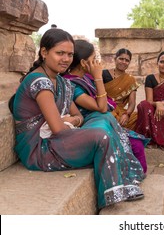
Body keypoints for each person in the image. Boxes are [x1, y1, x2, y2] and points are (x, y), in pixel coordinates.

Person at [9, 28, 143, 209]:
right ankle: (114, 190)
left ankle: (122, 179)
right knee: (100, 136)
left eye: (70, 54)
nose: (65, 59)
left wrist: (73, 121)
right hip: (40, 147)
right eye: (60, 53)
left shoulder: (62, 82)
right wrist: (74, 127)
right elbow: (56, 129)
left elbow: (77, 115)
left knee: (100, 117)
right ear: (44, 52)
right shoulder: (40, 82)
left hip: (57, 136)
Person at [63, 39, 149, 176]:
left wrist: (126, 113)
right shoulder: (72, 83)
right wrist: (97, 76)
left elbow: (126, 103)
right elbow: (102, 107)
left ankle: (134, 176)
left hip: (106, 117)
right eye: (94, 59)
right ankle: (128, 177)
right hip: (92, 124)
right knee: (135, 145)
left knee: (137, 139)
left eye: (127, 60)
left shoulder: (86, 77)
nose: (97, 63)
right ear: (84, 63)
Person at [102, 48, 139, 131]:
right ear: (115, 59)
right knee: (110, 116)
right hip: (106, 108)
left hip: (121, 111)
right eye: (121, 59)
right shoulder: (103, 74)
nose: (123, 62)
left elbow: (132, 103)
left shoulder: (131, 80)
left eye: (127, 60)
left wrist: (127, 114)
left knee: (139, 116)